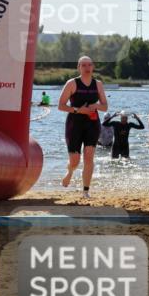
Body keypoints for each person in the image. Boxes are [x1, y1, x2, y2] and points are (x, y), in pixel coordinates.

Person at [57, 56, 109, 198]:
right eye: (83, 65)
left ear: (93, 67)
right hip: (74, 124)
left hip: (92, 124)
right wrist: (78, 110)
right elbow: (60, 106)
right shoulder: (72, 83)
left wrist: (96, 105)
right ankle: (70, 172)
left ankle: (86, 191)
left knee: (89, 157)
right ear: (78, 67)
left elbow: (105, 107)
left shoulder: (98, 84)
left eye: (89, 65)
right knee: (75, 160)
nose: (87, 68)